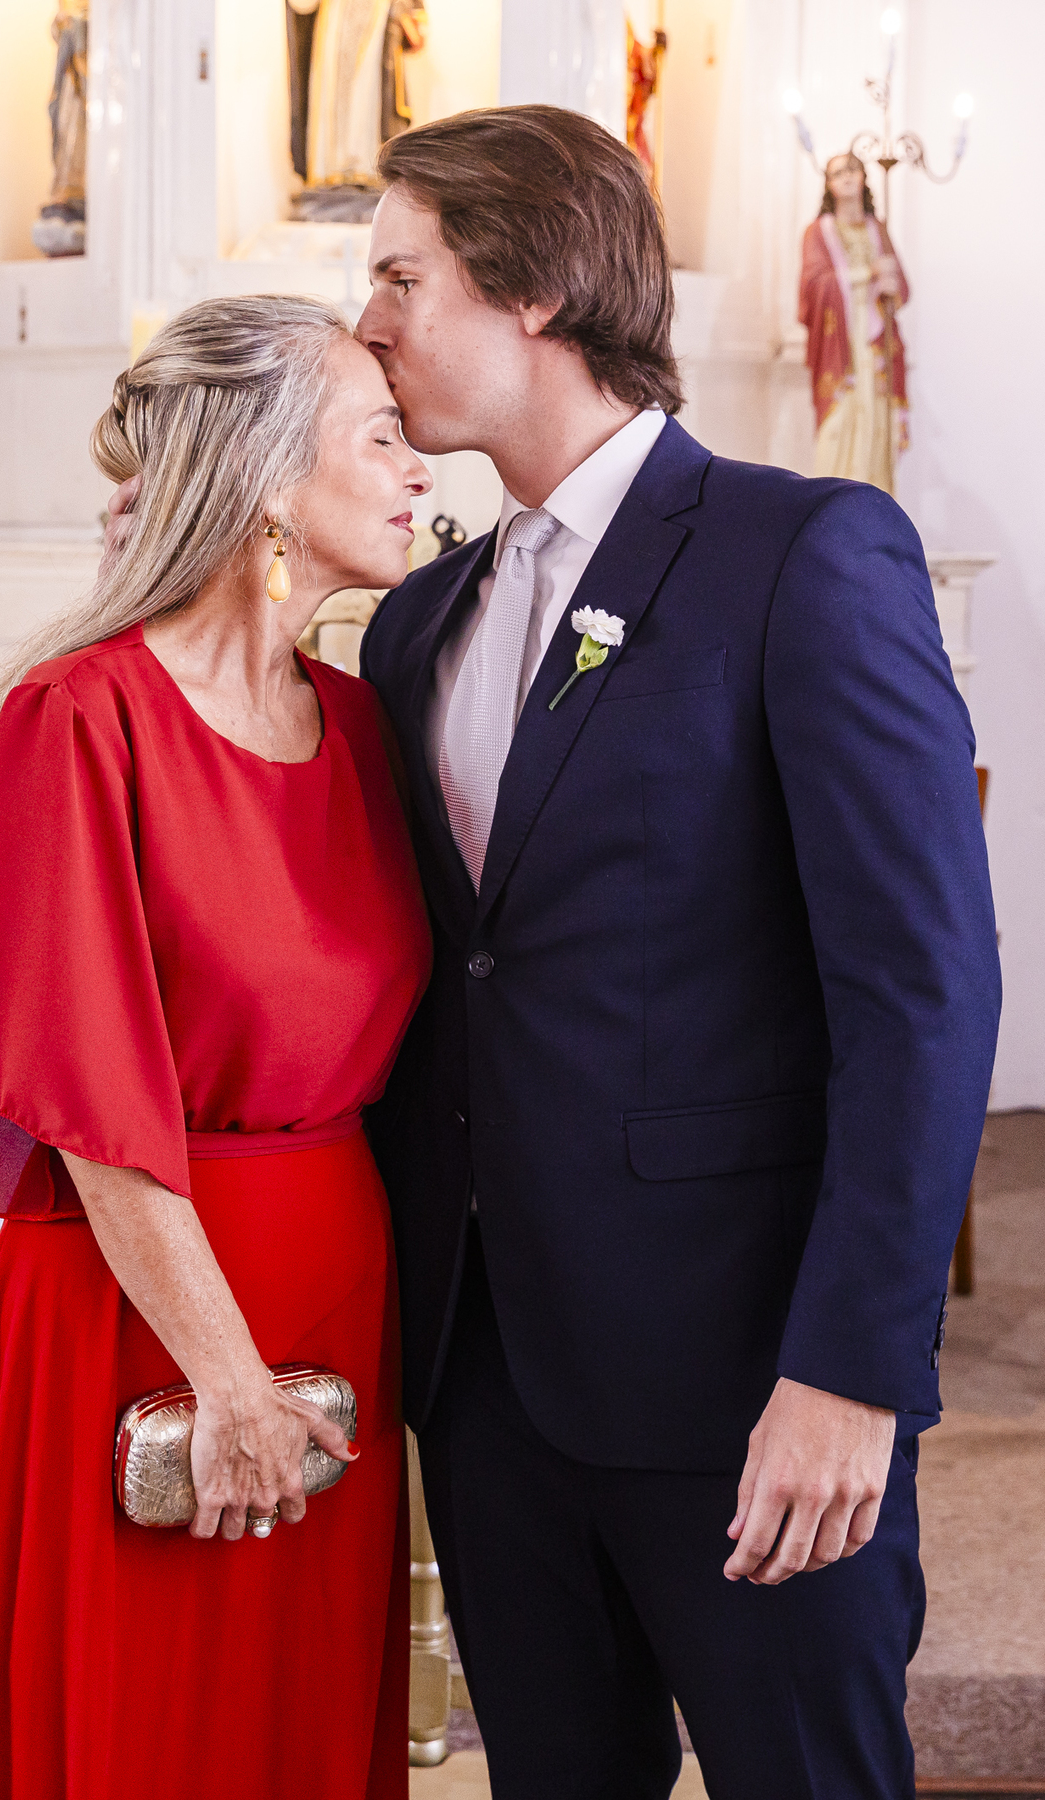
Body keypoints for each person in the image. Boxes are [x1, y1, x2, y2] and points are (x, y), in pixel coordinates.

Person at [352, 106, 998, 1797]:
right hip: (487, 1383)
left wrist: (852, 1373)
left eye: (403, 278)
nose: (370, 322)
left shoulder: (802, 552)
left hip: (746, 1378)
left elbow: (921, 997)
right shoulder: (416, 623)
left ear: (536, 287)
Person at [0, 296, 433, 1799]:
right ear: (268, 482)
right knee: (135, 1731)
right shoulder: (80, 716)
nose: (418, 470)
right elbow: (86, 1097)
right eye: (379, 437)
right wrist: (230, 1378)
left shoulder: (364, 725)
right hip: (143, 1317)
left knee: (291, 1726)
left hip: (336, 1296)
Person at [800, 150, 910, 495]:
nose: (847, 176)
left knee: (877, 422)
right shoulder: (818, 232)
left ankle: (876, 504)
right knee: (840, 424)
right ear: (829, 185)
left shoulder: (878, 229)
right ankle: (835, 504)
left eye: (853, 169)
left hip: (876, 344)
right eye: (838, 172)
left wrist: (891, 286)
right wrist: (866, 274)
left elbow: (902, 287)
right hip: (841, 344)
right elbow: (812, 288)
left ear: (864, 178)